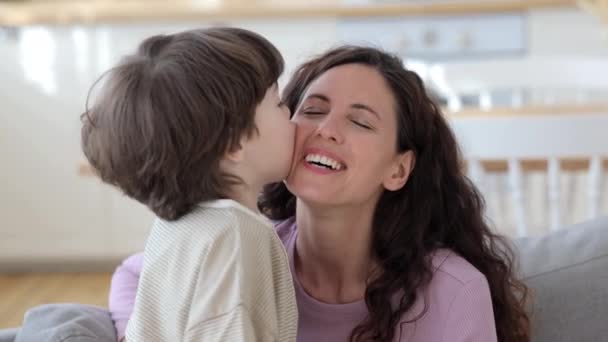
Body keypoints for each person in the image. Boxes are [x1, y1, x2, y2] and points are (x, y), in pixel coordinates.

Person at [109, 45, 531, 342]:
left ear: (398, 169)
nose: (326, 129)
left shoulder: (454, 291)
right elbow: (133, 275)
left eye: (361, 123)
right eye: (311, 110)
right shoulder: (244, 248)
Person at [81, 27, 298, 342]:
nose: (291, 113)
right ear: (234, 143)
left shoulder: (176, 227)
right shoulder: (235, 235)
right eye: (278, 104)